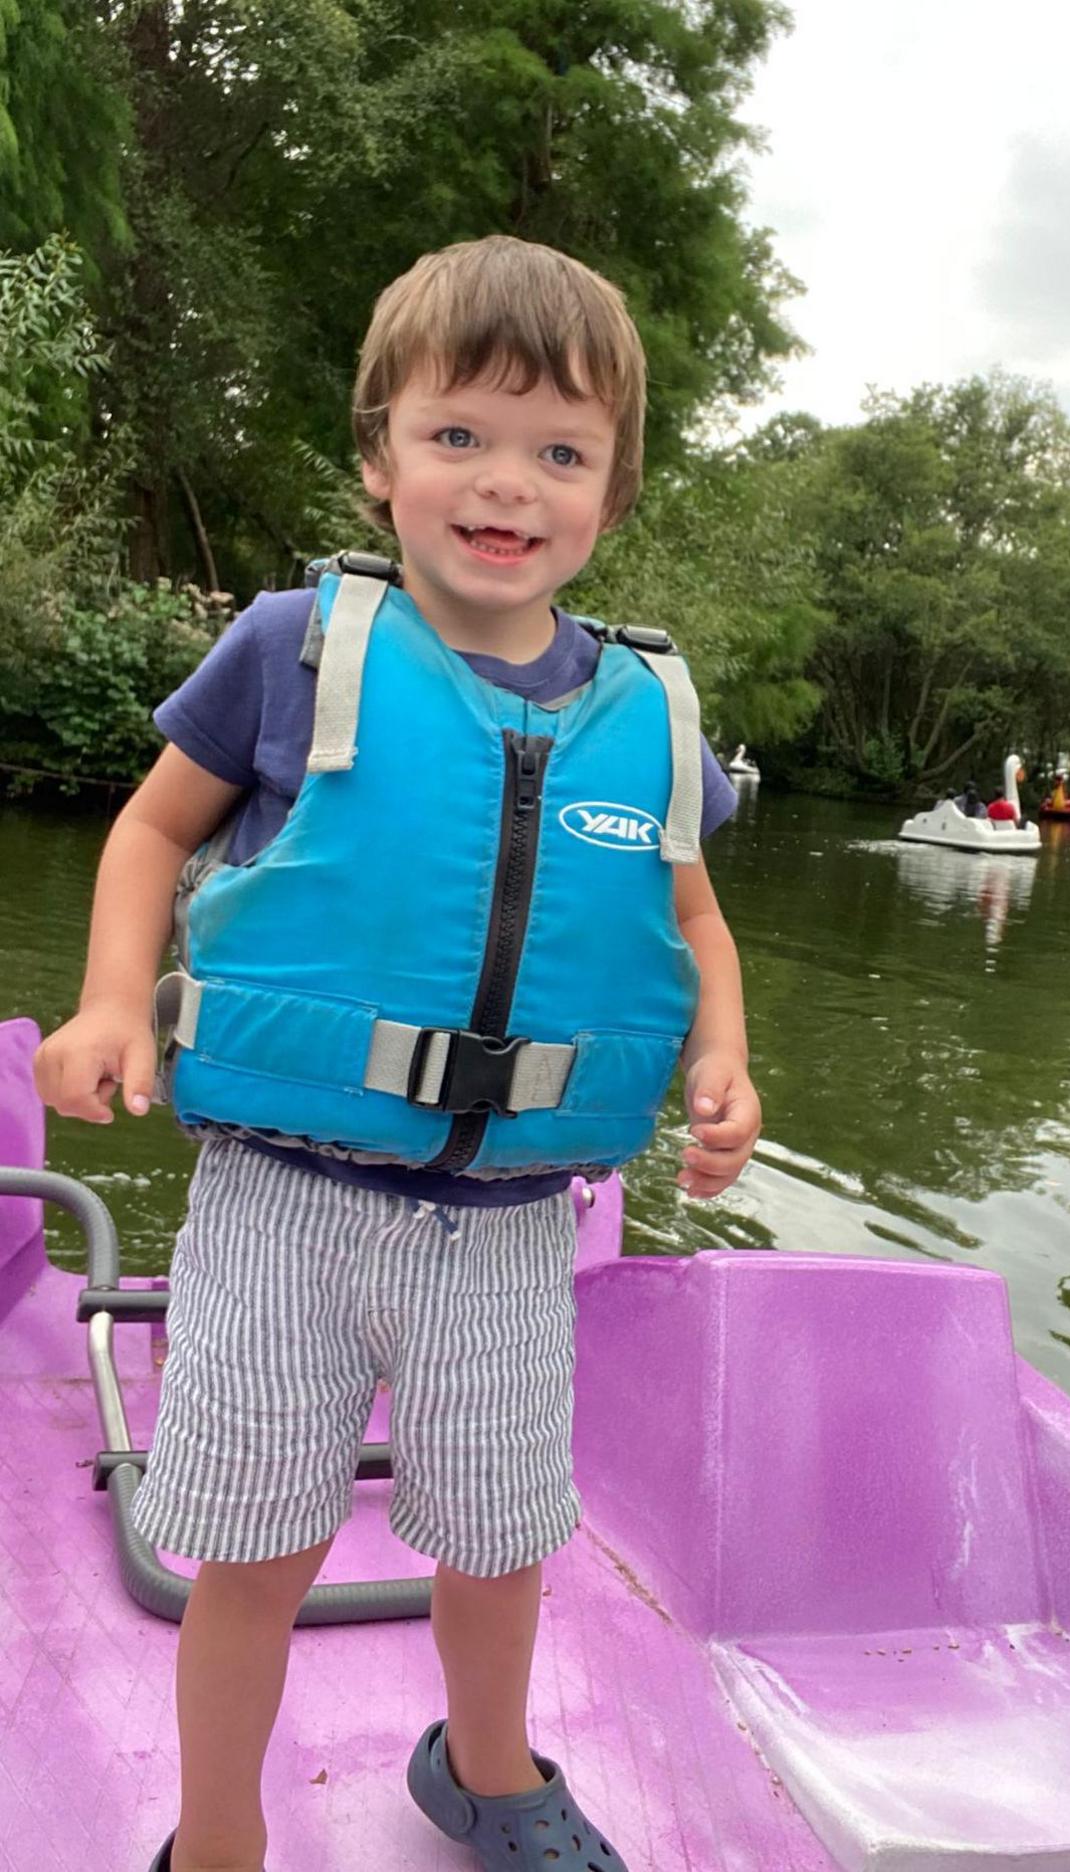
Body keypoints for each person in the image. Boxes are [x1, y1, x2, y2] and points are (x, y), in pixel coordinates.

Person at [33, 236, 762, 1872]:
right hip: (281, 1210)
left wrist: (725, 1053)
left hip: (509, 1235)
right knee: (257, 1552)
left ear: (612, 495)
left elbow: (697, 922)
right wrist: (103, 999)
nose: (507, 484)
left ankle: (486, 1773)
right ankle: (217, 1837)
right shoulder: (291, 649)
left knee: (499, 1543)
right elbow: (151, 834)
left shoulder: (649, 714)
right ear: (381, 458)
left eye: (559, 452)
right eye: (460, 437)